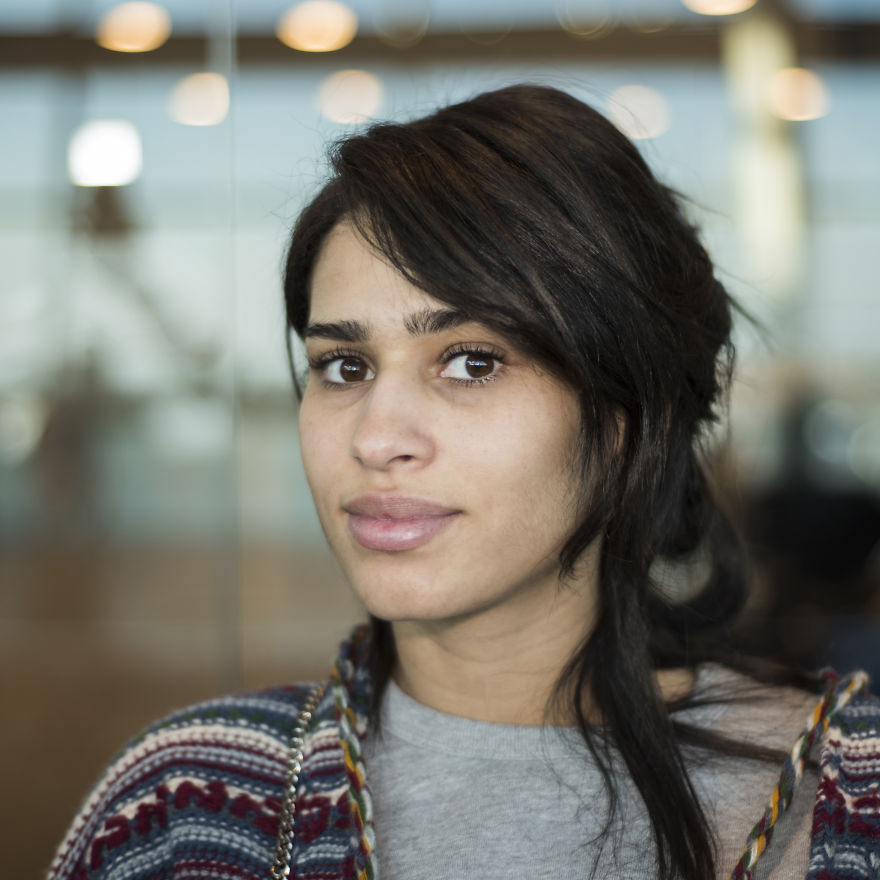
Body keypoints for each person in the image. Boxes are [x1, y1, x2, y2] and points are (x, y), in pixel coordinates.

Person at [47, 84, 880, 880]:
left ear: (630, 411)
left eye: (472, 362)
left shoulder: (850, 796)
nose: (375, 438)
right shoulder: (190, 808)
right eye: (344, 365)